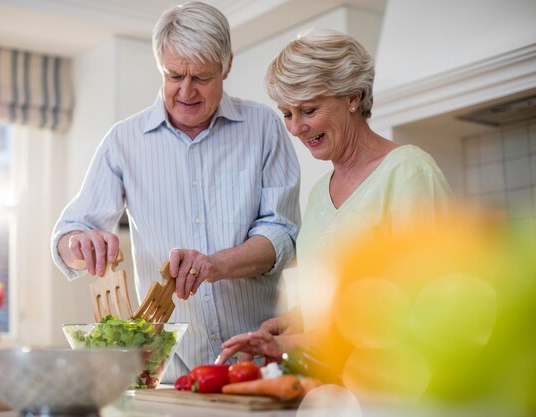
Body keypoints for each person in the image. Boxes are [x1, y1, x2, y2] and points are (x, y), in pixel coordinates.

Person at [51, 1, 301, 382]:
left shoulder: (264, 128)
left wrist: (215, 265)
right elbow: (68, 235)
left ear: (227, 66)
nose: (186, 91)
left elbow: (282, 236)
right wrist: (80, 245)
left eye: (201, 77)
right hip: (168, 373)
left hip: (260, 366)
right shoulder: (124, 141)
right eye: (173, 75)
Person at [215, 28, 453, 367]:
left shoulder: (408, 172)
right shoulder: (319, 193)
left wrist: (296, 343)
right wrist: (295, 321)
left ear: (353, 97)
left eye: (309, 110)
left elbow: (423, 306)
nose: (296, 128)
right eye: (287, 113)